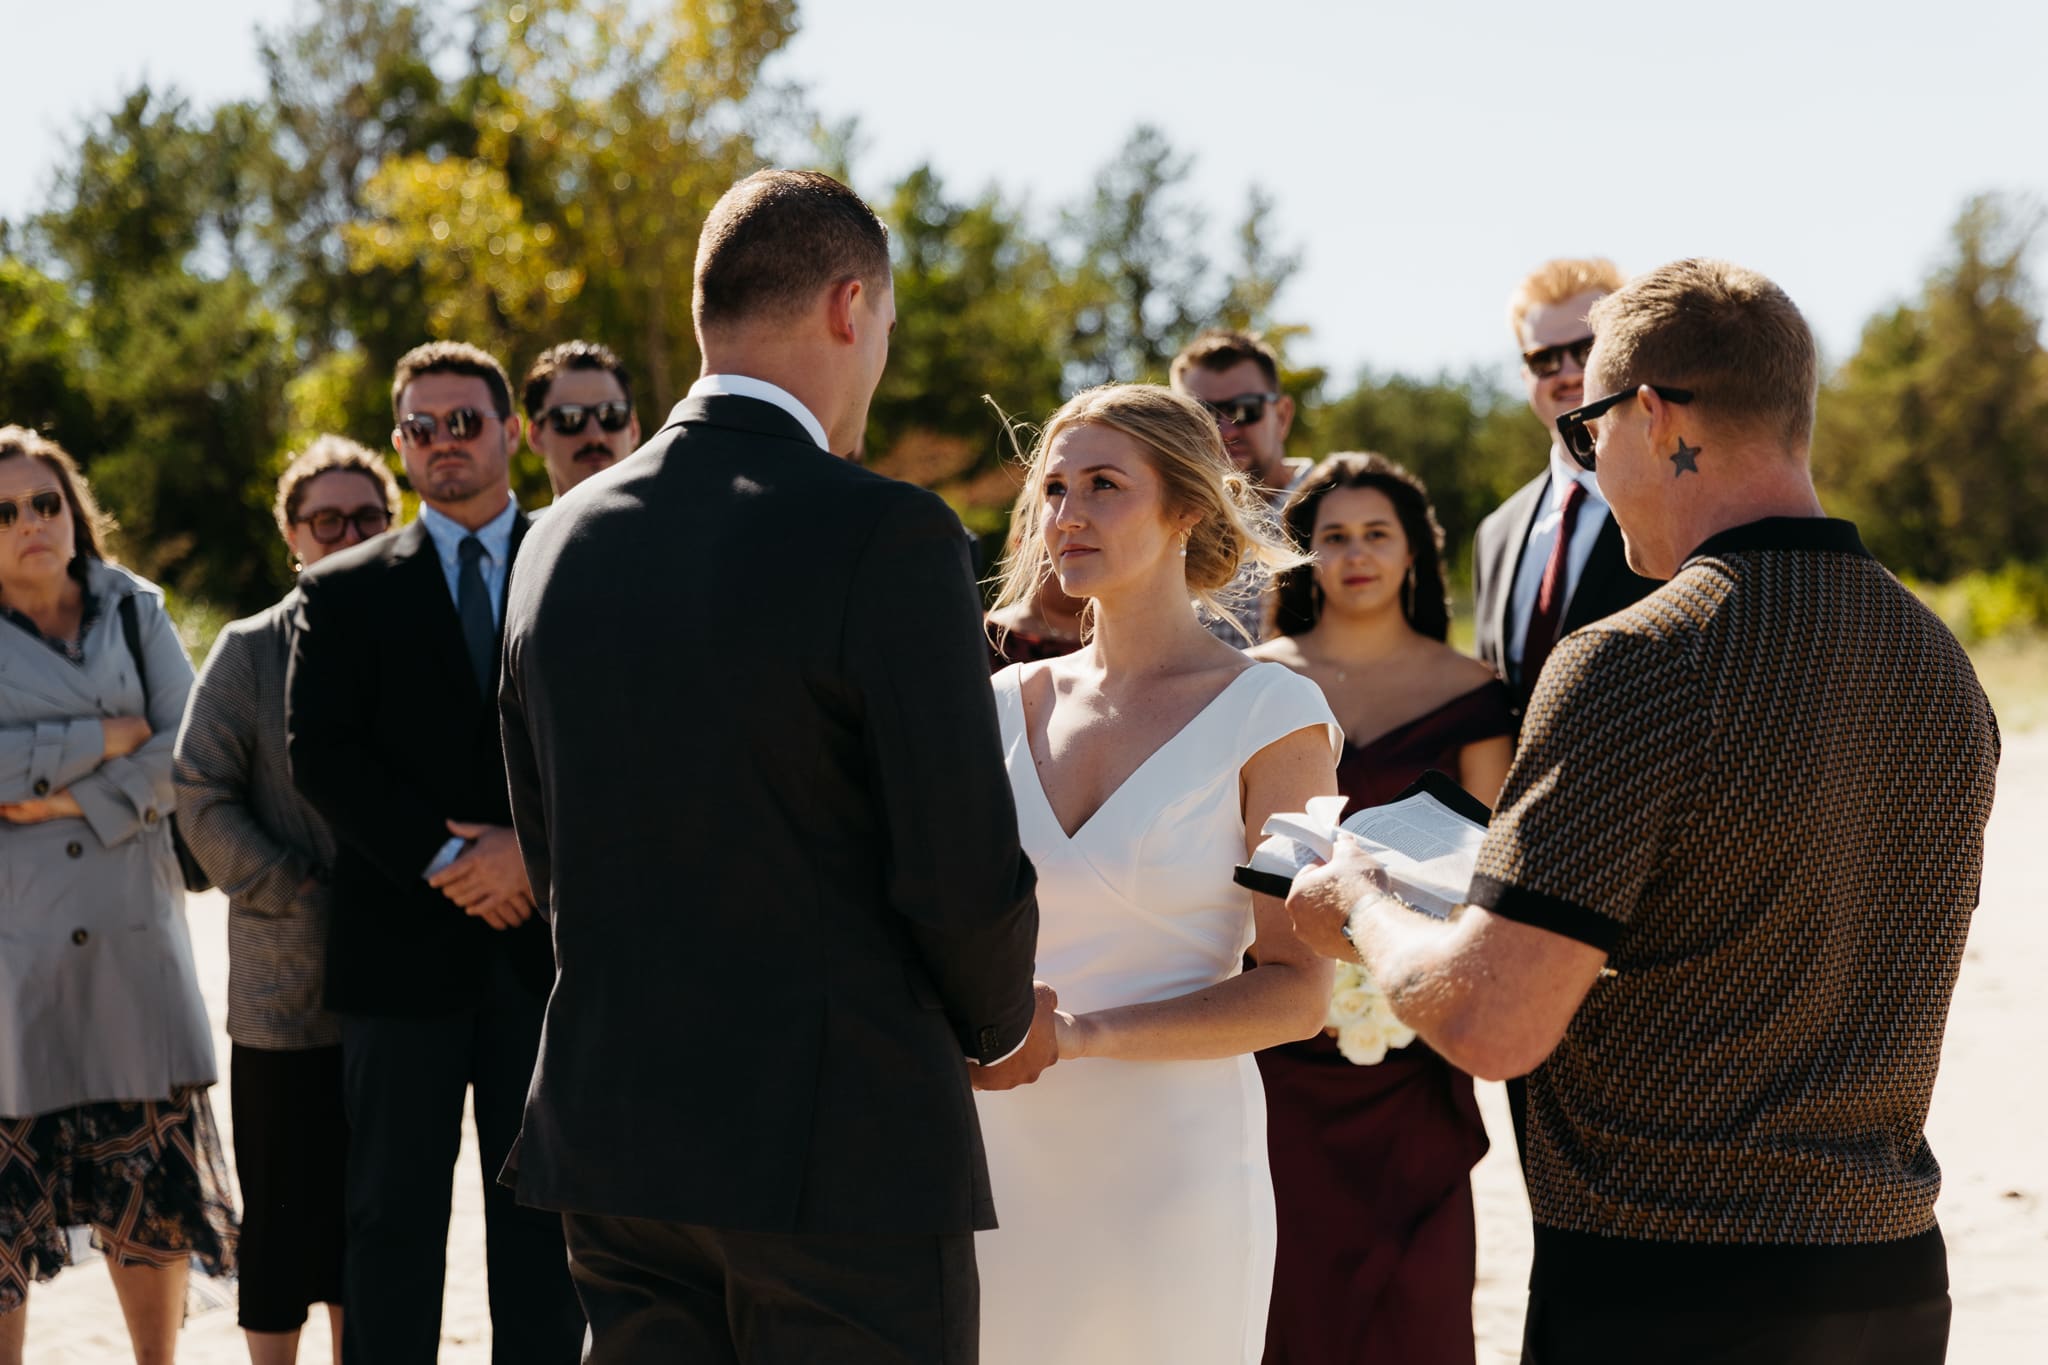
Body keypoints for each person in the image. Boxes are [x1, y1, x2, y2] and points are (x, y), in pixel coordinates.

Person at [1285, 260, 2000, 1365]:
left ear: (1654, 419)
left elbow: (1490, 1023)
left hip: (1668, 1287)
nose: (1587, 467)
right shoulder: (1934, 658)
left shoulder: (1637, 656)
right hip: (1891, 1275)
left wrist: (1363, 903)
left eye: (1587, 435)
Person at [497, 169, 1052, 1365]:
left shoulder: (553, 541)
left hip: (616, 1129)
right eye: (887, 330)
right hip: (835, 1149)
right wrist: (1002, 1027)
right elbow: (953, 858)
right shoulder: (885, 532)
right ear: (850, 307)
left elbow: (553, 845)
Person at [978, 383, 1338, 1365]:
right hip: (993, 1163)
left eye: (1103, 485)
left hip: (1175, 1172)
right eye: (1053, 488)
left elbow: (1298, 992)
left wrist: (1079, 1036)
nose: (1068, 514)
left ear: (1185, 507)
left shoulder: (1274, 715)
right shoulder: (996, 705)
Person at [285, 344, 583, 1364]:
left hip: (545, 956)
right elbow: (320, 755)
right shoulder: (342, 589)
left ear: (511, 430)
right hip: (396, 955)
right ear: (399, 444)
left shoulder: (581, 558)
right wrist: (445, 860)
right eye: (421, 427)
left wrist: (530, 859)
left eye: (465, 421)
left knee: (543, 1226)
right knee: (389, 1223)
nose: (443, 441)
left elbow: (622, 739)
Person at [1247, 451, 1511, 1365]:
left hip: (1414, 1050)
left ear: (1412, 555)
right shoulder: (1249, 683)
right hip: (1275, 1046)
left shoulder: (1472, 692)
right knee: (1282, 1288)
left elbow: (1488, 875)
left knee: (1417, 1293)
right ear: (1304, 556)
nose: (1355, 554)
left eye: (1376, 534)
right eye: (1332, 537)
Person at [0, 426, 237, 1364]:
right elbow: (133, 743)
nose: (29, 522)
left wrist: (55, 795)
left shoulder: (136, 609)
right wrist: (102, 741)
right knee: (4, 1213)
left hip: (136, 949)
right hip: (14, 959)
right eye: (5, 510)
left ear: (74, 510)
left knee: (151, 1193)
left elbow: (185, 748)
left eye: (45, 502)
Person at [174, 435, 400, 1365]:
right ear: (290, 534)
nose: (347, 533)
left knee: (370, 1224)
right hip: (280, 998)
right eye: (326, 519)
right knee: (275, 1227)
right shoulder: (249, 649)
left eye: (367, 516)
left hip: (397, 992)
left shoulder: (416, 638)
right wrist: (283, 880)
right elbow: (196, 787)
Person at [1472, 258, 1657, 727]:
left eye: (1585, 349)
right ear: (1524, 376)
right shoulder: (1495, 534)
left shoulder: (1678, 503)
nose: (1568, 372)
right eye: (1544, 359)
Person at [1170, 330, 1311, 645]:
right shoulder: (1163, 519)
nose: (1226, 430)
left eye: (1245, 408)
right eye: (1202, 414)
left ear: (1283, 415)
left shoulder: (1341, 506)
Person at [519, 340, 641, 498]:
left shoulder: (679, 521)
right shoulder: (535, 524)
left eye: (612, 415)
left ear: (633, 429)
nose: (595, 436)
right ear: (535, 436)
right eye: (570, 418)